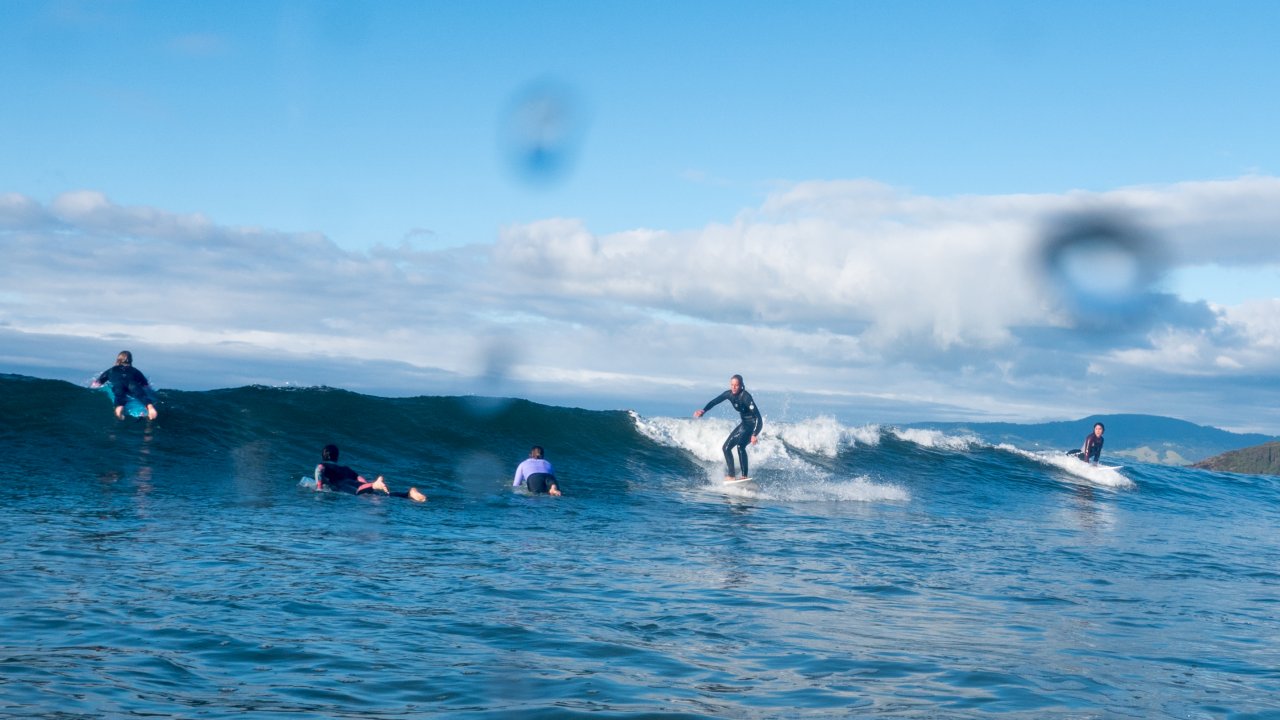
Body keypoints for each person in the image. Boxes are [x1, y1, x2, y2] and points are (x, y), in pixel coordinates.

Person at [694, 374, 764, 482]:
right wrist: (704, 410)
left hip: (752, 424)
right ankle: (731, 476)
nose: (734, 387)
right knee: (726, 448)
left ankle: (744, 476)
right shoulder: (729, 394)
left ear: (741, 385)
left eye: (736, 385)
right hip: (744, 424)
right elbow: (715, 401)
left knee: (740, 446)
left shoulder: (746, 397)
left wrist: (755, 434)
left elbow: (759, 418)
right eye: (732, 385)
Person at [315, 444, 426, 502]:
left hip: (342, 484)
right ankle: (408, 494)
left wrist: (319, 488)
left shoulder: (323, 465)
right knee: (383, 495)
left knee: (357, 492)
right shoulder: (345, 468)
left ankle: (375, 485)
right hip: (356, 482)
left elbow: (320, 469)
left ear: (323, 455)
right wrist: (367, 486)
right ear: (337, 456)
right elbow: (360, 478)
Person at [91, 350, 159, 420]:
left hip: (119, 384)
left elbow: (97, 383)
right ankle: (150, 408)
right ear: (131, 361)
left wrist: (92, 389)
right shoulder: (135, 371)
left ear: (118, 359)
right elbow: (146, 386)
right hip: (133, 384)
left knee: (120, 398)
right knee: (142, 396)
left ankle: (119, 410)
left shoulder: (111, 370)